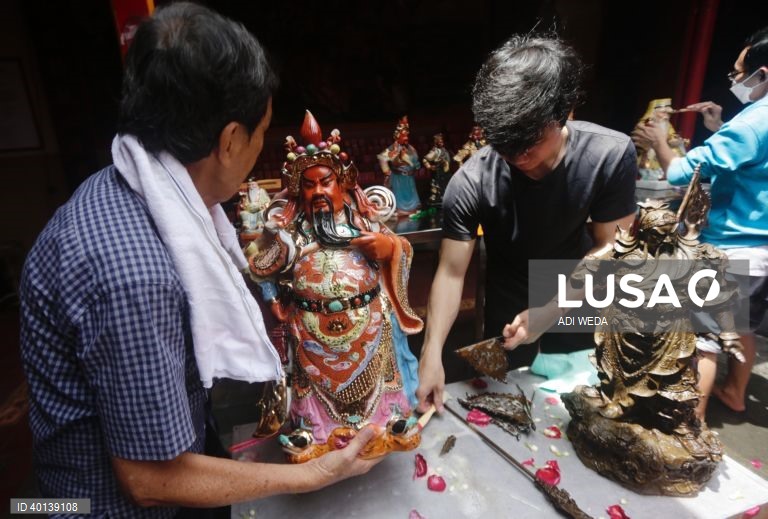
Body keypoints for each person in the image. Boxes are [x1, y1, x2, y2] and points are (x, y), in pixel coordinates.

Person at [19, 4, 384, 518]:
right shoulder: (134, 273)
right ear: (231, 140)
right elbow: (149, 478)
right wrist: (315, 474)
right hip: (83, 506)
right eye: (261, 132)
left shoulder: (119, 187)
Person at [416, 34, 638, 413]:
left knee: (582, 414)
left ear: (566, 110)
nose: (517, 155)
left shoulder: (608, 155)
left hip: (580, 302)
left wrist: (550, 311)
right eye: (504, 144)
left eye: (529, 141)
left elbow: (612, 247)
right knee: (507, 412)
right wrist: (431, 351)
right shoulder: (472, 180)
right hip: (507, 313)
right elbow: (451, 273)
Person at [247, 111, 424, 463]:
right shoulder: (291, 234)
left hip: (368, 326)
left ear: (343, 183)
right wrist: (272, 300)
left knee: (381, 370)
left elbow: (402, 251)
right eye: (309, 185)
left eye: (325, 182)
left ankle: (389, 421)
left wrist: (388, 249)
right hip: (311, 330)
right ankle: (312, 431)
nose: (318, 192)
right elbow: (260, 269)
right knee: (310, 385)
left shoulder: (365, 223)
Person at [631, 26, 768, 419]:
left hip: (732, 247)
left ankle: (691, 421)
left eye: (739, 73)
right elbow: (752, 159)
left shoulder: (753, 122)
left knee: (701, 340)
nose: (734, 80)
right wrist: (719, 128)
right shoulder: (751, 122)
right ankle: (735, 393)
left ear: (762, 73)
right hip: (760, 251)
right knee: (741, 327)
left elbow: (680, 173)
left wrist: (660, 141)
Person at [377, 116, 422, 214]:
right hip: (398, 179)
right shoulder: (393, 149)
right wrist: (387, 171)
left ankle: (413, 209)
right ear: (398, 136)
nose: (406, 138)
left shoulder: (411, 148)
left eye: (407, 136)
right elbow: (382, 158)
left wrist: (415, 165)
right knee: (399, 198)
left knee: (412, 196)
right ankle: (399, 210)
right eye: (404, 136)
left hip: (409, 178)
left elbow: (415, 159)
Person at [635, 98, 688, 180]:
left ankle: (672, 172)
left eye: (668, 113)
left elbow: (671, 136)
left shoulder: (667, 124)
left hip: (662, 146)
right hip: (650, 149)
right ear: (654, 112)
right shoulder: (647, 123)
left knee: (676, 151)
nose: (666, 116)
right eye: (663, 113)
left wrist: (676, 140)